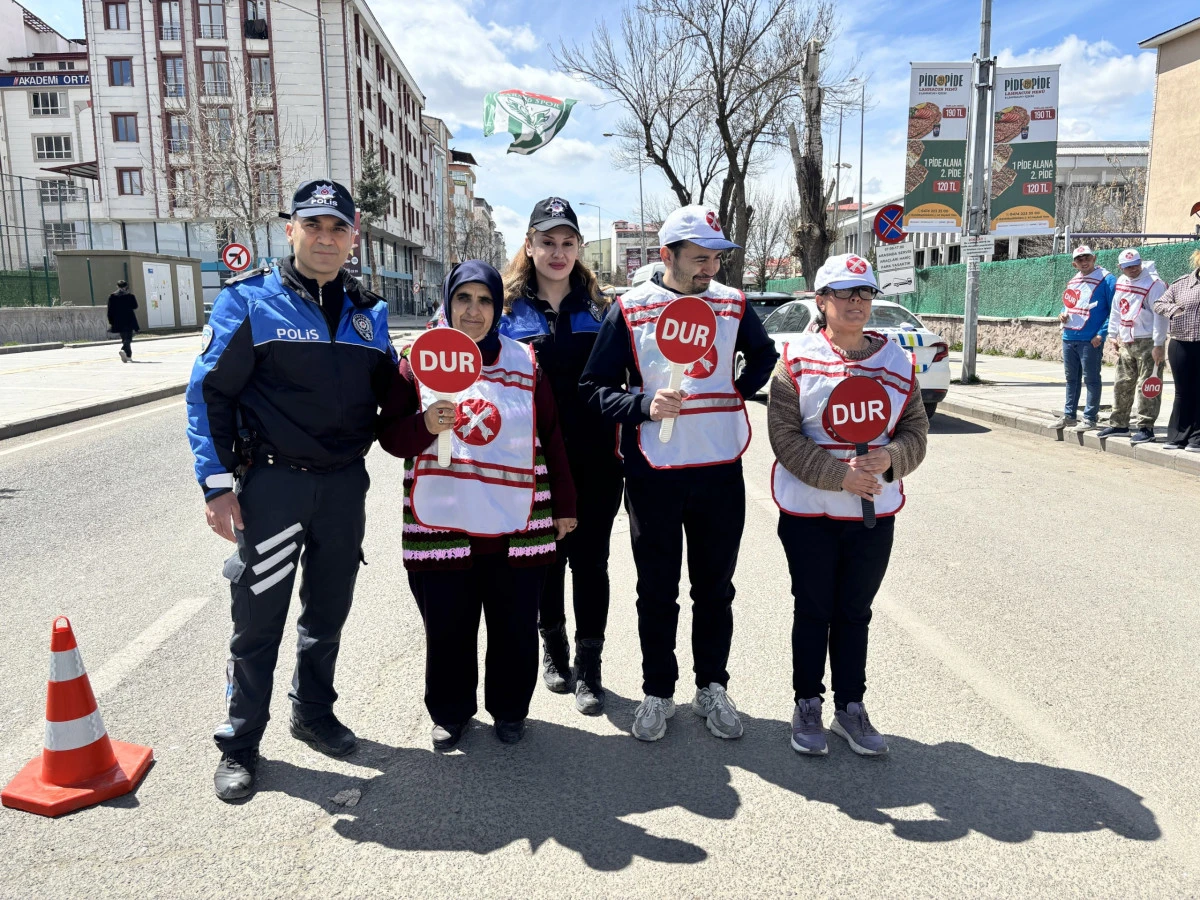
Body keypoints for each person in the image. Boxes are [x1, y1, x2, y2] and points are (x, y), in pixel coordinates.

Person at [186, 180, 398, 801]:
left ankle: (312, 711)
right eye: (314, 226)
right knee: (259, 619)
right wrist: (216, 486)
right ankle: (240, 742)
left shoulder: (370, 313)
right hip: (274, 485)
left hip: (344, 487)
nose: (326, 238)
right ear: (291, 231)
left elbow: (394, 396)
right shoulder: (249, 301)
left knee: (327, 611)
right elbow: (208, 395)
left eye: (338, 228)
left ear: (353, 237)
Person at [580, 205, 778, 742]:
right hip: (655, 472)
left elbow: (764, 357)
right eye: (699, 258)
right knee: (656, 590)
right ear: (667, 255)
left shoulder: (733, 304)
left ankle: (711, 686)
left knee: (715, 589)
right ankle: (657, 690)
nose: (709, 268)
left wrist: (735, 392)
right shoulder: (630, 308)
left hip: (720, 468)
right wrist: (642, 406)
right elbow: (593, 388)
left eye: (716, 258)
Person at [378, 260, 577, 750]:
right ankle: (450, 712)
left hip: (516, 520)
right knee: (447, 627)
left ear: (498, 306)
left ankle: (510, 710)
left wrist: (565, 504)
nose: (473, 310)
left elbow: (551, 435)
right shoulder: (417, 360)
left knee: (514, 626)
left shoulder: (525, 362)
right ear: (447, 303)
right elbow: (391, 437)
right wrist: (425, 424)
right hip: (443, 522)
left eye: (485, 300)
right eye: (463, 298)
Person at [769, 253, 928, 757]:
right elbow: (784, 436)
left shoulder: (897, 360)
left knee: (855, 612)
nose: (856, 302)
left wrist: (891, 458)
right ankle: (807, 703)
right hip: (809, 512)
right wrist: (840, 476)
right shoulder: (795, 357)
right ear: (821, 300)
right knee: (813, 609)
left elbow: (915, 430)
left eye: (864, 292)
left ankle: (850, 707)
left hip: (872, 516)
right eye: (843, 293)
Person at [499, 197, 622, 715]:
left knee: (591, 563)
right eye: (547, 241)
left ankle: (590, 666)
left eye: (567, 242)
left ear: (579, 248)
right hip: (528, 460)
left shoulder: (603, 309)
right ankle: (554, 647)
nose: (557, 252)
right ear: (529, 245)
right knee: (543, 561)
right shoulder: (504, 309)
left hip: (596, 460)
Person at [1098, 249, 1167, 444]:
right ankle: (1119, 424)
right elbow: (1117, 309)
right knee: (1122, 383)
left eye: (1136, 265)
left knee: (1148, 385)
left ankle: (1146, 427)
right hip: (1127, 340)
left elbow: (1160, 316)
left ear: (1141, 262)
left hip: (1148, 341)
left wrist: (1159, 344)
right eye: (1128, 267)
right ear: (1120, 267)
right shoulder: (1122, 281)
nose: (1133, 269)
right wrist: (1113, 334)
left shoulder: (1154, 284)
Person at [1054, 246, 1115, 432]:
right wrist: (1062, 314)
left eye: (1087, 257)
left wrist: (1101, 333)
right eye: (1079, 259)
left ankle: (1089, 418)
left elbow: (1115, 311)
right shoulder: (1073, 281)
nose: (1084, 261)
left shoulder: (1107, 279)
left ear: (1094, 258)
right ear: (1074, 264)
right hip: (1069, 336)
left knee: (1091, 379)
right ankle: (1069, 416)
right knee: (1071, 379)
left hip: (1090, 339)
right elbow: (1069, 304)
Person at [1153, 249, 1200, 451]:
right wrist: (1173, 310)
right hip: (1180, 344)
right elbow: (1159, 303)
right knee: (1182, 392)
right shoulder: (1182, 283)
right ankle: (1177, 436)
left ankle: (1197, 438)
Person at [106, 279, 139, 362]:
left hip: (118, 320)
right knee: (129, 338)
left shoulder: (112, 296)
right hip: (129, 319)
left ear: (117, 286)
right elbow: (135, 306)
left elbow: (110, 310)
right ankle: (123, 349)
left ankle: (128, 356)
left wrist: (111, 321)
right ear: (126, 286)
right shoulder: (130, 296)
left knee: (124, 337)